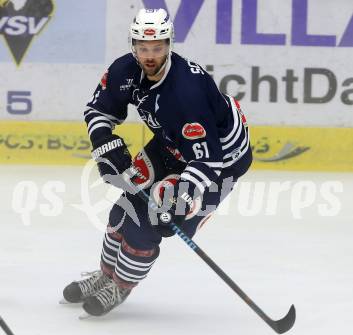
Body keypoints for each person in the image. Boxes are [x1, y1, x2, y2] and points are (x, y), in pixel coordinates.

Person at [62, 8, 252, 316]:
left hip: (219, 164)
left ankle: (121, 285)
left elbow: (208, 159)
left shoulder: (186, 93)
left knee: (150, 223)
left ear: (169, 45)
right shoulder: (125, 70)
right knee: (124, 207)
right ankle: (105, 275)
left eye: (158, 48)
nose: (150, 55)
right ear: (133, 44)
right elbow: (97, 112)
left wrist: (183, 195)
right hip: (171, 144)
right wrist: (104, 144)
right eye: (143, 47)